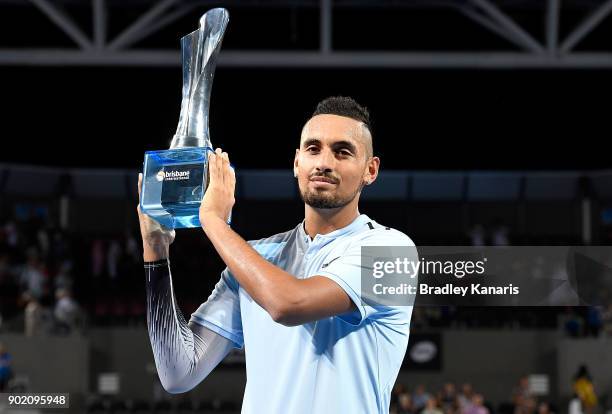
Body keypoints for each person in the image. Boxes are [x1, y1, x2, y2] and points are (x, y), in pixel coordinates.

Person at [138, 96, 417, 413]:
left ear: (370, 170)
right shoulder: (255, 259)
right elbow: (178, 373)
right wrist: (156, 251)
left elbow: (289, 304)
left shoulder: (391, 250)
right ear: (297, 162)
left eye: (342, 152)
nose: (324, 162)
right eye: (313, 149)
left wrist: (213, 220)